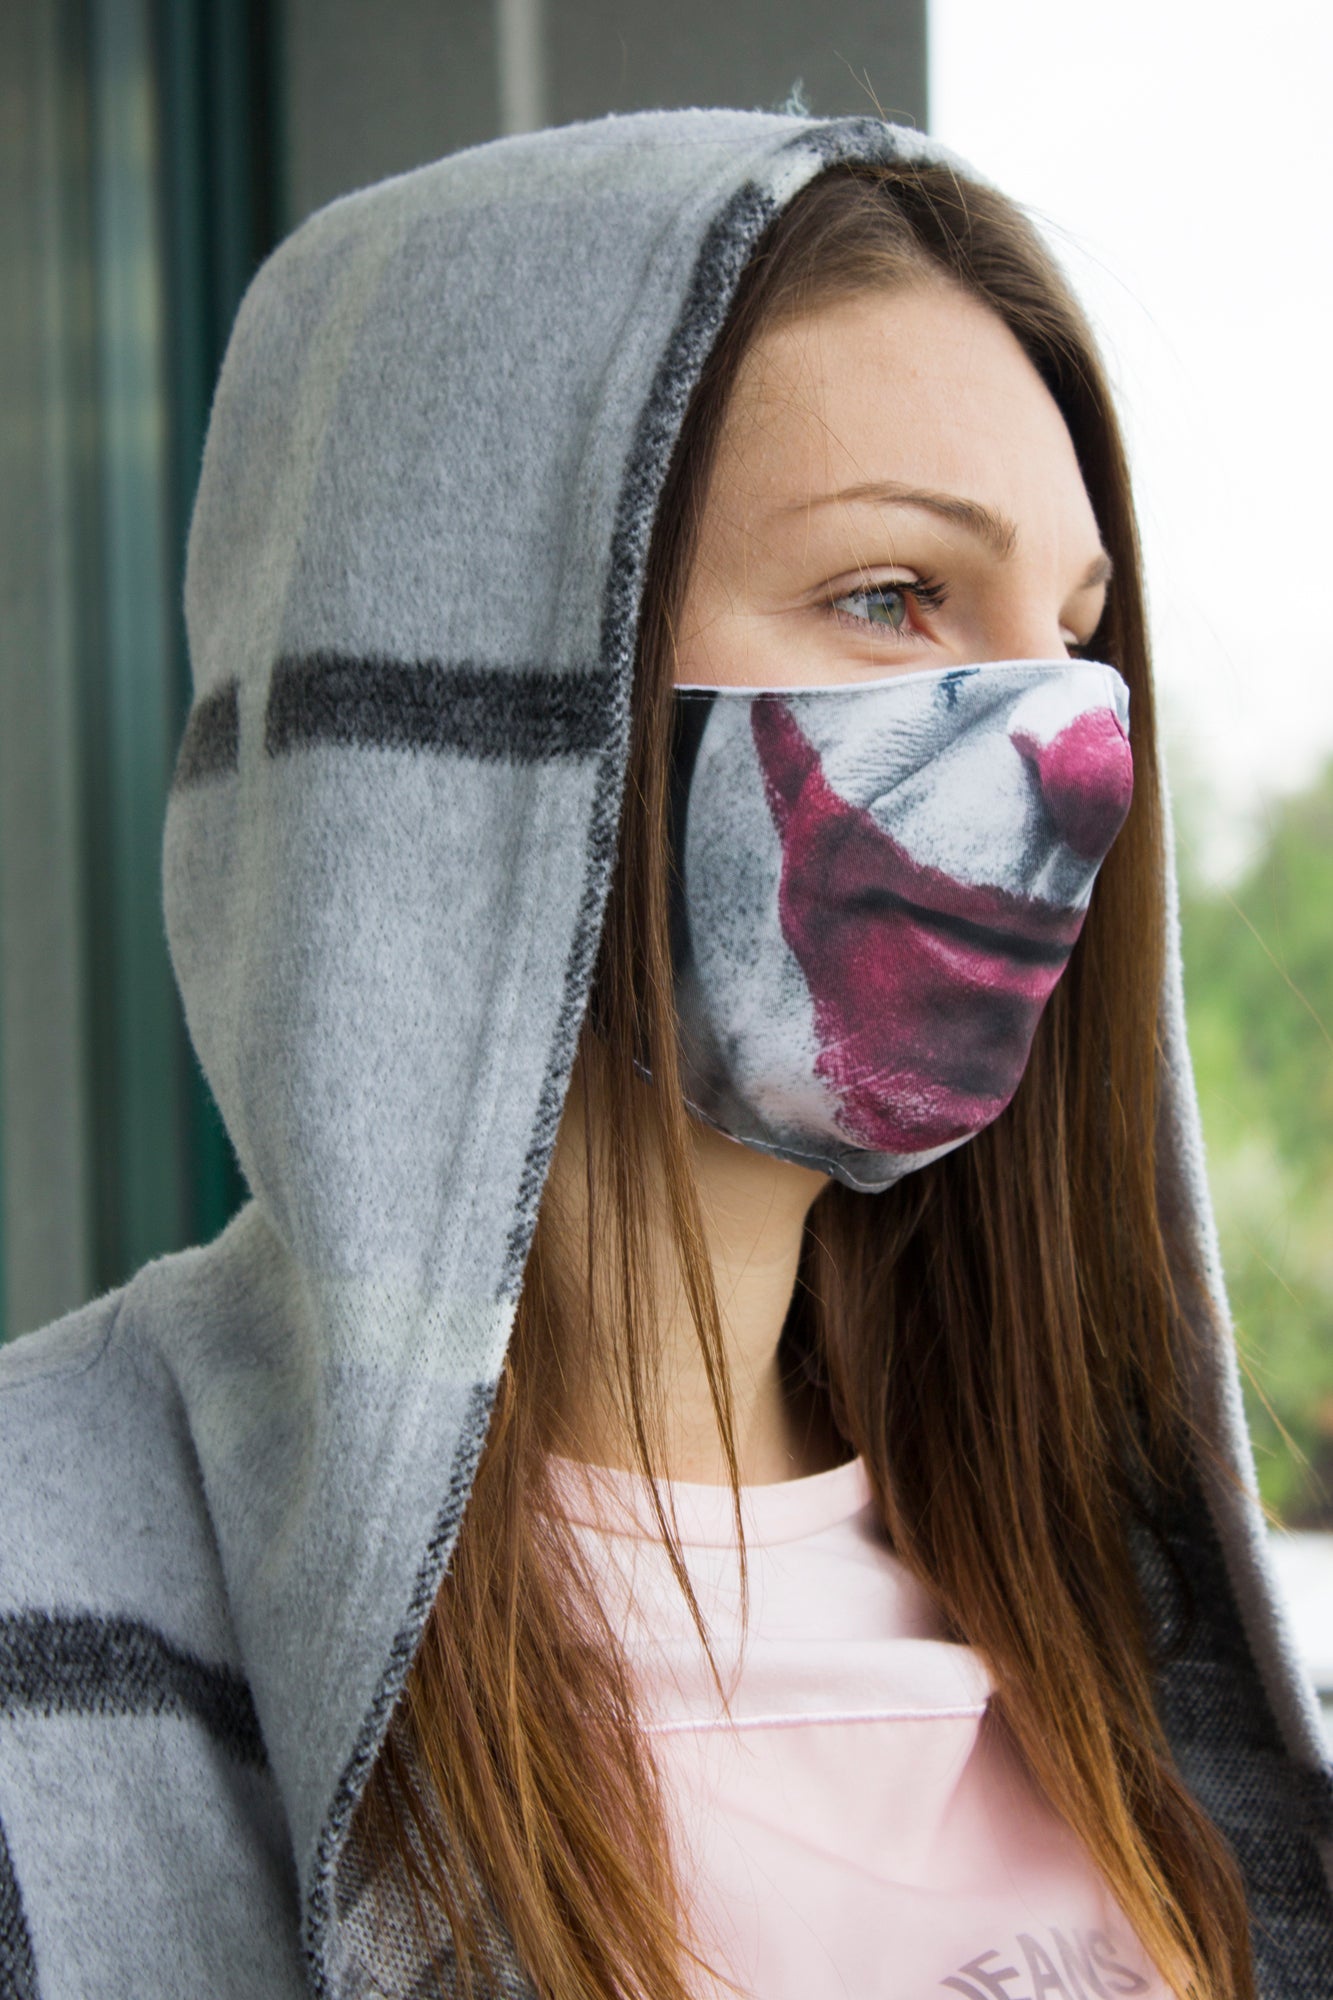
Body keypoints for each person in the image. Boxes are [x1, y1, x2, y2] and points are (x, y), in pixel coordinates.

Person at [0, 107, 1328, 2000]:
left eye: (1072, 636)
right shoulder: (45, 1582)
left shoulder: (1116, 1603)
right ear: (486, 671)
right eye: (891, 596)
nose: (1074, 754)